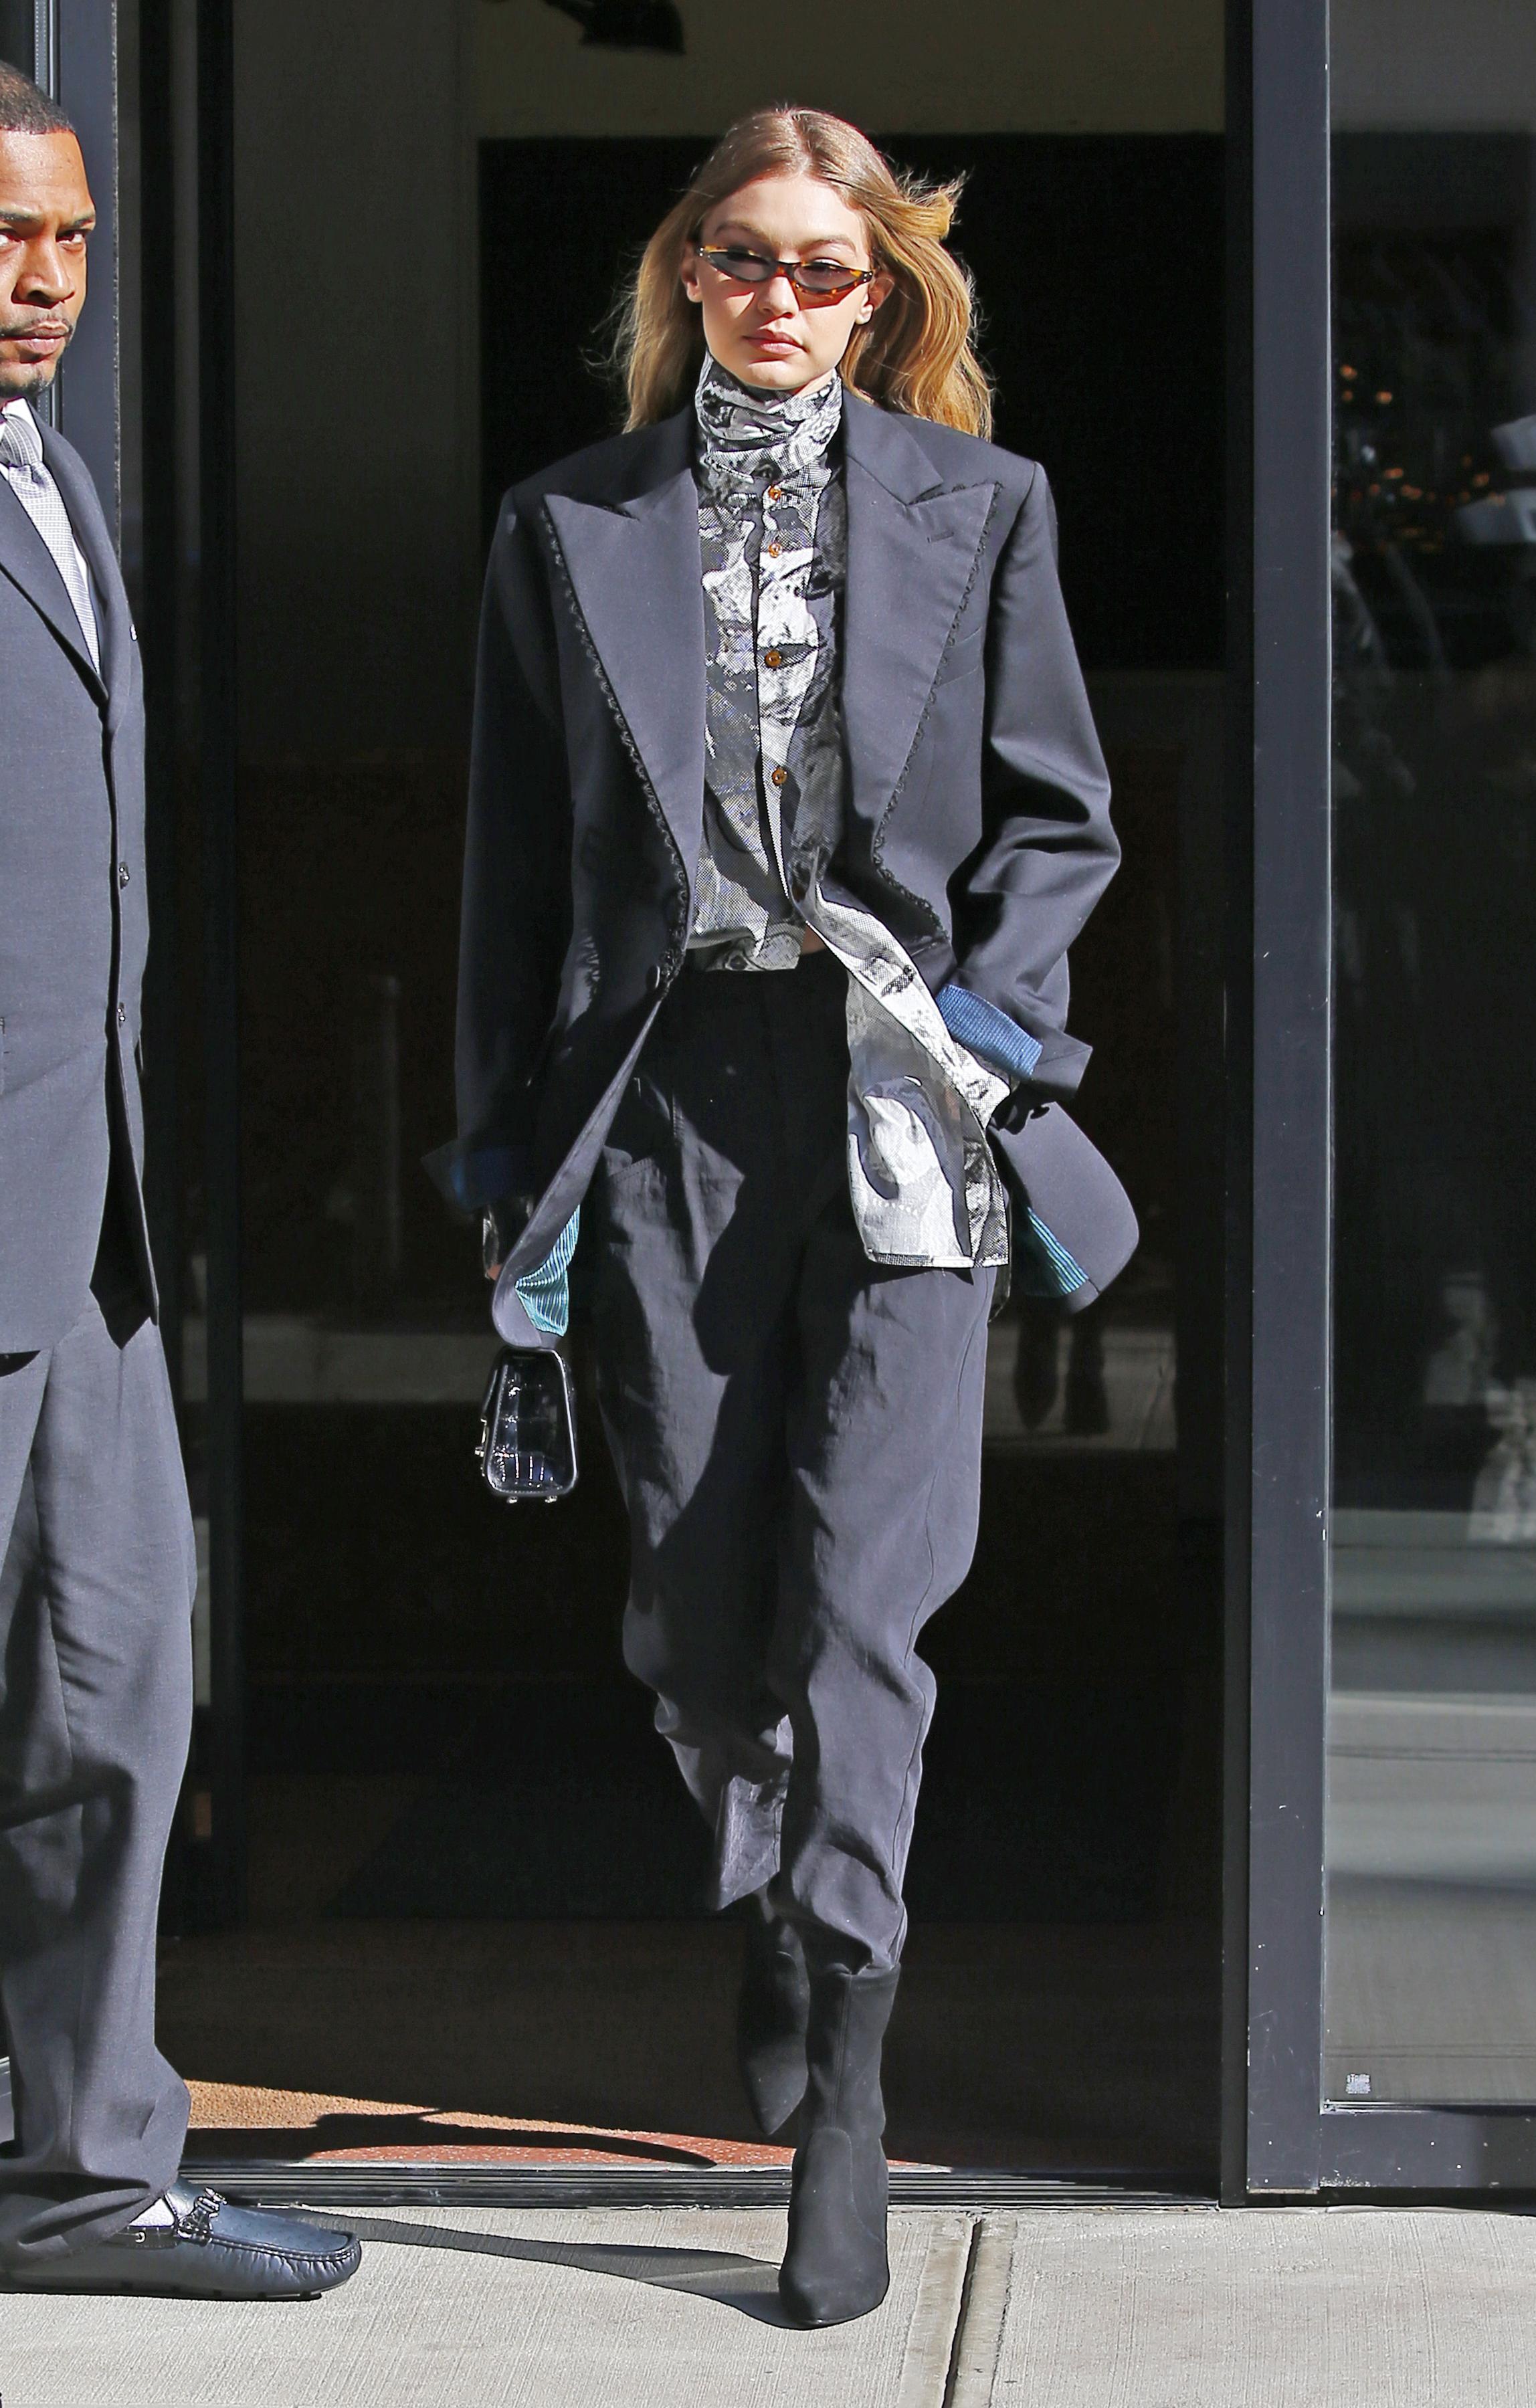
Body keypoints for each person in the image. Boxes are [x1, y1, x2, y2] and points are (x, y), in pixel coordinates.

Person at [434, 106, 1125, 2326]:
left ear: (883, 291)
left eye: (827, 267)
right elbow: (512, 869)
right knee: (694, 1598)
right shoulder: (568, 524)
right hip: (666, 1102)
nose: (781, 297)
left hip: (899, 1098)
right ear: (686, 274)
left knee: (863, 1610)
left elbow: (1059, 818)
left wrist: (991, 1029)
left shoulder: (979, 508)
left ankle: (846, 2058)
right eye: (743, 256)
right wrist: (499, 1158)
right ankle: (768, 1878)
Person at [0, 62, 359, 2299]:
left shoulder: (52, 479)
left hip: (84, 1227)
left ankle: (84, 2173)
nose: (41, 282)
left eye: (67, 239)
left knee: (114, 1692)